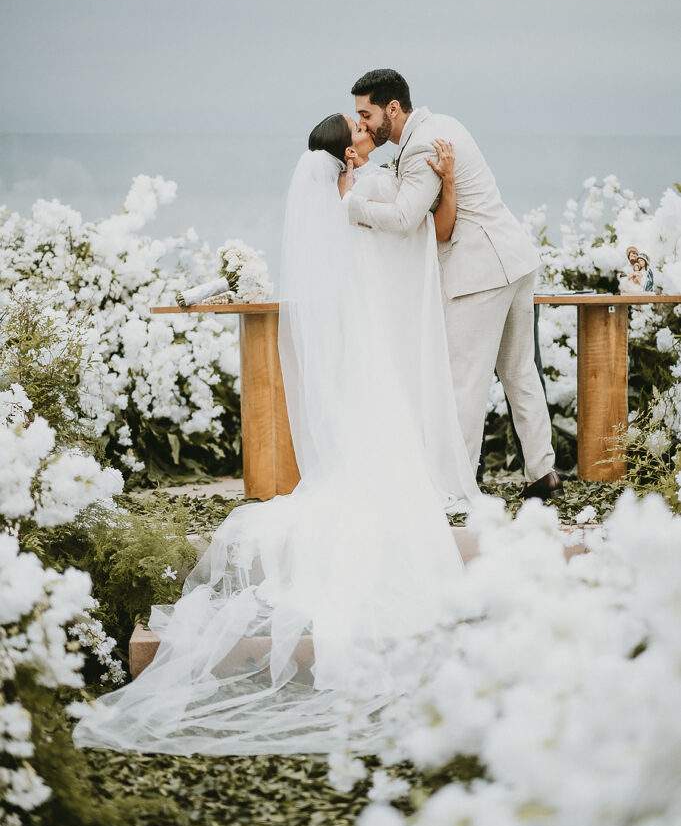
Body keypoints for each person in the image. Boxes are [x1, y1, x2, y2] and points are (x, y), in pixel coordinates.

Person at [71, 113, 479, 757]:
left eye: (367, 118)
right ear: (350, 150)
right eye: (359, 127)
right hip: (368, 338)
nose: (367, 129)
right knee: (383, 436)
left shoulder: (343, 194)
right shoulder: (354, 194)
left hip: (360, 337)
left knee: (374, 435)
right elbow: (401, 236)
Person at [342, 68, 561, 502]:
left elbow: (406, 217)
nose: (362, 124)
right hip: (513, 259)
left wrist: (351, 208)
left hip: (479, 272)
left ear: (392, 108)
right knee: (519, 372)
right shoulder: (442, 124)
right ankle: (543, 473)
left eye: (365, 114)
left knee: (465, 380)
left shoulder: (423, 144)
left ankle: (457, 488)